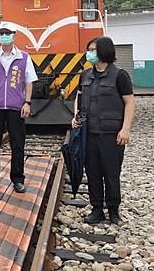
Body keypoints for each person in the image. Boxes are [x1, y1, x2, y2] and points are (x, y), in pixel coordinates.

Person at [72, 36, 134, 225]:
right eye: (89, 49)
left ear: (104, 51)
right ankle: (97, 209)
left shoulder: (119, 75)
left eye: (93, 50)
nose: (89, 53)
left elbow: (130, 102)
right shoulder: (85, 75)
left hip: (111, 134)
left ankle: (114, 211)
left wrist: (125, 129)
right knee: (93, 172)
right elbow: (80, 99)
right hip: (89, 134)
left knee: (111, 173)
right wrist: (77, 119)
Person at [0, 22, 38, 193]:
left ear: (14, 35)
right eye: (1, 33)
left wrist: (27, 102)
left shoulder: (24, 57)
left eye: (8, 33)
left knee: (18, 144)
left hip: (15, 107)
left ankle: (18, 179)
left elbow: (28, 82)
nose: (4, 36)